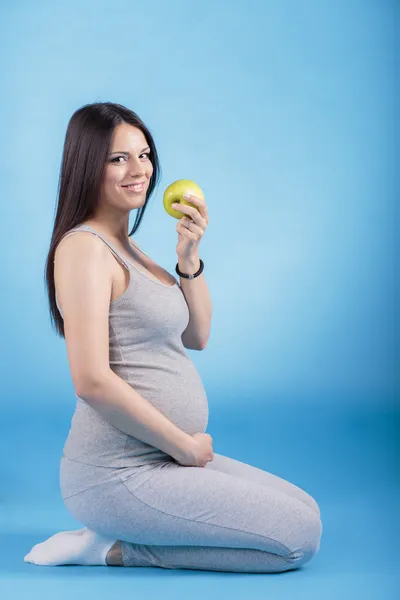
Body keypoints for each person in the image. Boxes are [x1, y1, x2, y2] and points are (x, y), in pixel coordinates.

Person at [24, 102, 322, 572]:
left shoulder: (132, 248)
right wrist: (183, 446)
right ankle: (107, 548)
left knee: (306, 511)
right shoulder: (84, 249)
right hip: (116, 474)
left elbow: (198, 335)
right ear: (86, 166)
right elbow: (91, 381)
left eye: (143, 154)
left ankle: (116, 534)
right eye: (118, 158)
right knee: (297, 541)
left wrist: (188, 257)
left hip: (162, 459)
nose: (138, 169)